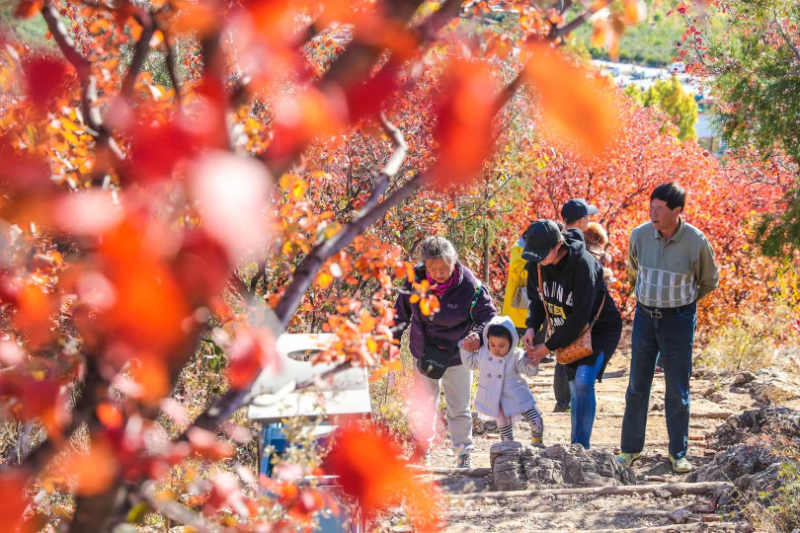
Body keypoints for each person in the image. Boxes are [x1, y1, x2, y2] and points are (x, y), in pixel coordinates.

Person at [617, 182, 719, 473]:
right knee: (637, 384)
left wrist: (684, 304)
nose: (653, 213)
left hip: (679, 321)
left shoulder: (695, 242)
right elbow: (635, 267)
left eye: (659, 209)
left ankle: (678, 452)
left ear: (677, 211)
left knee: (677, 387)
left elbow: (709, 281)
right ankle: (630, 450)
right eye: (651, 207)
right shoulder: (639, 235)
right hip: (645, 318)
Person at [393, 236, 496, 468]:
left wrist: (477, 336)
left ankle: (463, 454)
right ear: (424, 266)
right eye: (433, 268)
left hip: (457, 354)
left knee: (458, 406)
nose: (439, 273)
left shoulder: (469, 284)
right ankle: (422, 451)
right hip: (424, 352)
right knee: (424, 405)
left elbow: (489, 315)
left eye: (444, 268)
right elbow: (399, 314)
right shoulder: (414, 280)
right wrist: (392, 344)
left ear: (454, 261)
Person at [522, 219, 622, 449]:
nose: (538, 259)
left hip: (599, 327)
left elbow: (580, 317)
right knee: (576, 383)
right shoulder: (536, 263)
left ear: (558, 245)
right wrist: (531, 327)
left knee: (584, 380)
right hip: (566, 331)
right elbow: (537, 299)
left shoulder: (583, 265)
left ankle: (580, 447)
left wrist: (546, 348)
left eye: (541, 253)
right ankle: (576, 444)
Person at [547, 198, 601, 413]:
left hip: (557, 304)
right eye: (587, 217)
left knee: (562, 349)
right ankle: (569, 401)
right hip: (575, 305)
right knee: (574, 351)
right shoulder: (580, 245)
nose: (589, 221)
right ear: (580, 221)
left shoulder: (556, 241)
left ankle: (563, 401)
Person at [459, 316, 544, 444]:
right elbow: (469, 363)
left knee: (535, 419)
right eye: (492, 344)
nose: (496, 349)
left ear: (512, 342)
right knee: (503, 426)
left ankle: (537, 440)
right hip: (495, 397)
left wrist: (531, 361)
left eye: (502, 345)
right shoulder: (483, 354)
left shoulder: (516, 355)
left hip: (517, 394)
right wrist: (466, 348)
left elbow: (531, 372)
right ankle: (508, 447)